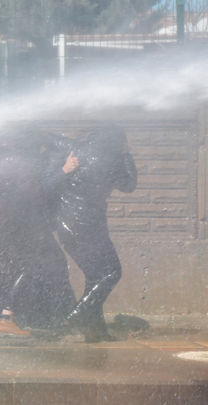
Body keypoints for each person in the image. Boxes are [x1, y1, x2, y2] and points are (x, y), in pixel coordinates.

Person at [45, 124, 137, 343]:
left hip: (68, 226)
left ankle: (95, 330)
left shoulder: (76, 148)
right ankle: (79, 314)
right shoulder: (113, 159)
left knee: (96, 275)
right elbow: (129, 185)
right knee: (111, 272)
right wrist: (127, 154)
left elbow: (50, 137)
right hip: (88, 225)